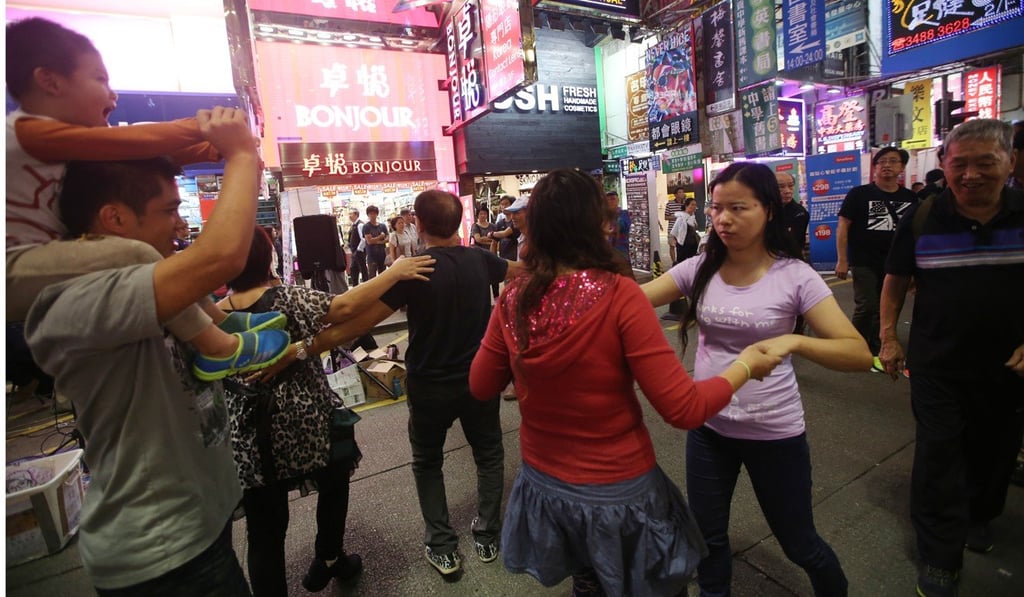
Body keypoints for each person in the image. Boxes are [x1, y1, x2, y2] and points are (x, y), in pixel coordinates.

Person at [468, 168, 780, 596]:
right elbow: (683, 408)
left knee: (589, 582)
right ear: (595, 225)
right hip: (618, 492)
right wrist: (744, 366)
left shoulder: (513, 298)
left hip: (547, 487)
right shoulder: (619, 295)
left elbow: (482, 385)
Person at [24, 108, 274, 594]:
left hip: (202, 528)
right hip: (163, 559)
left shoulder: (149, 278)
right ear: (114, 218)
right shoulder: (80, 296)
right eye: (168, 211)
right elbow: (222, 257)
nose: (179, 227)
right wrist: (243, 154)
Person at [5, 17, 287, 382]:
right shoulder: (25, 131)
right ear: (50, 81)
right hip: (14, 268)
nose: (114, 94)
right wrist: (204, 126)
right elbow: (126, 144)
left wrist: (210, 149)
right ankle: (218, 348)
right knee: (137, 255)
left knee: (164, 257)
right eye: (100, 79)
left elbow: (136, 159)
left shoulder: (63, 147)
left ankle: (221, 320)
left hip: (50, 257)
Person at [260, 190, 518, 578]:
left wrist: (298, 350)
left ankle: (442, 546)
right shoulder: (481, 260)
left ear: (418, 222)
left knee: (428, 462)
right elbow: (524, 271)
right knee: (489, 453)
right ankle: (487, 534)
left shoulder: (416, 269)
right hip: (479, 378)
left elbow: (357, 324)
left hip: (429, 385)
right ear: (459, 220)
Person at [643, 161, 872, 596]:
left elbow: (858, 353)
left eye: (737, 208)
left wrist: (795, 343)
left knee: (800, 543)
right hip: (709, 429)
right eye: (715, 209)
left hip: (775, 434)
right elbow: (631, 304)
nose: (722, 219)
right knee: (707, 541)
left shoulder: (795, 275)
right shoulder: (700, 266)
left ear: (767, 209)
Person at [219, 227, 433, 597]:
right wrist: (394, 272)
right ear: (264, 258)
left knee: (264, 533)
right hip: (309, 424)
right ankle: (330, 558)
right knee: (336, 480)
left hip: (249, 435)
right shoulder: (287, 298)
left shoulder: (213, 314)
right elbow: (345, 307)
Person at [878, 119, 1024, 597]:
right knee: (940, 451)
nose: (972, 175)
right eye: (960, 164)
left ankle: (980, 513)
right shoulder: (923, 217)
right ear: (944, 166)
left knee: (996, 447)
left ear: (1010, 163)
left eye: (986, 163)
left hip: (1007, 367)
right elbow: (895, 281)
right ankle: (940, 550)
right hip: (937, 363)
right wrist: (889, 339)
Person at [835, 146, 917, 371]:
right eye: (882, 162)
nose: (887, 165)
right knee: (867, 305)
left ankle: (881, 347)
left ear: (902, 167)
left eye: (893, 161)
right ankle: (856, 347)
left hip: (897, 264)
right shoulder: (859, 194)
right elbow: (843, 226)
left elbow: (916, 233)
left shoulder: (910, 198)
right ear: (875, 167)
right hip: (864, 260)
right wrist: (842, 259)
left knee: (889, 307)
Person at [776, 170, 810, 257]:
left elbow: (795, 244)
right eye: (781, 187)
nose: (787, 191)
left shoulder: (800, 213)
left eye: (791, 186)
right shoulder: (762, 210)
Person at [471, 205, 500, 299]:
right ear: (477, 215)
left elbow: (497, 239)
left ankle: (496, 298)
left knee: (495, 276)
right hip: (481, 256)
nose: (483, 215)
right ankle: (485, 299)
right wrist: (491, 239)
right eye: (481, 214)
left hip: (493, 254)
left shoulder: (493, 226)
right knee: (484, 278)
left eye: (484, 213)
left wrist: (487, 239)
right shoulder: (475, 226)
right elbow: (478, 239)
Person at [669, 197, 700, 264]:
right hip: (683, 244)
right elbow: (674, 231)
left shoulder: (693, 217)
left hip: (693, 244)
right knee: (682, 263)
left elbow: (695, 228)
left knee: (692, 263)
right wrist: (673, 240)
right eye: (692, 204)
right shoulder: (681, 217)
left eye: (695, 205)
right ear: (686, 206)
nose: (694, 207)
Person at [362, 205, 388, 279]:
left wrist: (378, 241)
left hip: (382, 254)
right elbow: (369, 241)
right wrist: (380, 237)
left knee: (383, 276)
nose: (372, 215)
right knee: (372, 277)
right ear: (368, 215)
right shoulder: (366, 226)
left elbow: (387, 238)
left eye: (374, 213)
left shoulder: (382, 226)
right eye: (370, 214)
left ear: (377, 214)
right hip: (372, 256)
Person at [491, 196, 520, 262]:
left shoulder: (516, 221)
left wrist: (491, 233)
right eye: (502, 204)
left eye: (506, 204)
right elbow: (494, 243)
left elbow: (504, 234)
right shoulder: (499, 223)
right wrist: (493, 260)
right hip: (503, 260)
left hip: (516, 260)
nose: (504, 206)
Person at [346, 208, 368, 286]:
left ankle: (366, 285)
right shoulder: (353, 225)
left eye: (351, 214)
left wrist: (359, 249)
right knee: (353, 269)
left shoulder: (360, 225)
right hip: (354, 251)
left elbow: (363, 239)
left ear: (356, 215)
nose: (349, 216)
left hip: (359, 252)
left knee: (362, 269)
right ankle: (355, 286)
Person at [606, 189, 631, 260]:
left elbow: (621, 226)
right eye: (607, 200)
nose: (610, 201)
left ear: (618, 200)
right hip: (606, 251)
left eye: (612, 199)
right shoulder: (603, 215)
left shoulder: (624, 214)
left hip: (621, 250)